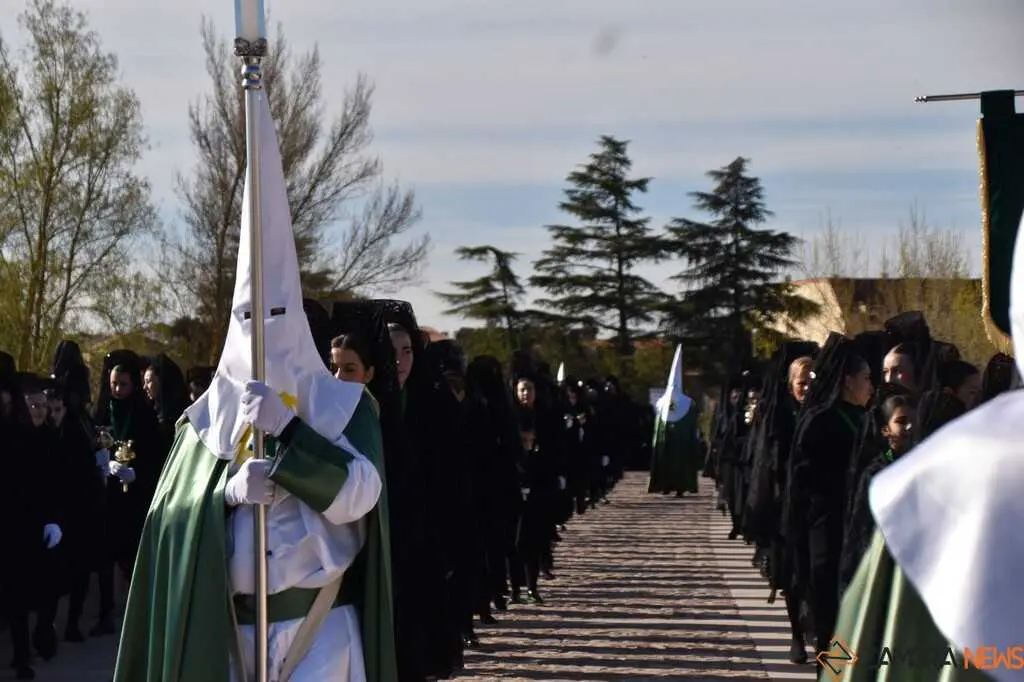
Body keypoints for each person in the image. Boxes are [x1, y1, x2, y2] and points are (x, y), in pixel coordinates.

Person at [112, 93, 395, 682]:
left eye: (274, 316)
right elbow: (167, 526)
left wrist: (290, 437)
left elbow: (360, 496)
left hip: (320, 630)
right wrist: (224, 498)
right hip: (229, 637)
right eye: (248, 318)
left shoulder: (342, 407)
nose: (261, 335)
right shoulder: (203, 422)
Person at [647, 344, 700, 497]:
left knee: (674, 461)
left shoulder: (669, 402)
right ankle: (673, 485)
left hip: (674, 442)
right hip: (675, 441)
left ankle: (671, 486)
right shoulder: (683, 403)